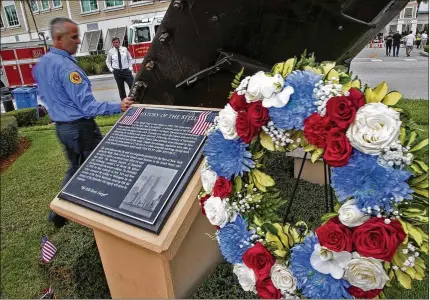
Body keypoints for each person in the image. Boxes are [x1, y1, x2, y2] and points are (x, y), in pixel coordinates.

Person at [32, 17, 134, 227]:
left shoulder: (43, 63)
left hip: (62, 128)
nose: (79, 41)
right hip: (80, 129)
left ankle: (59, 212)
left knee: (76, 168)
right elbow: (87, 107)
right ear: (59, 38)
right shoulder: (68, 69)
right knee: (100, 166)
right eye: (74, 36)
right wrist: (119, 106)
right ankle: (103, 213)